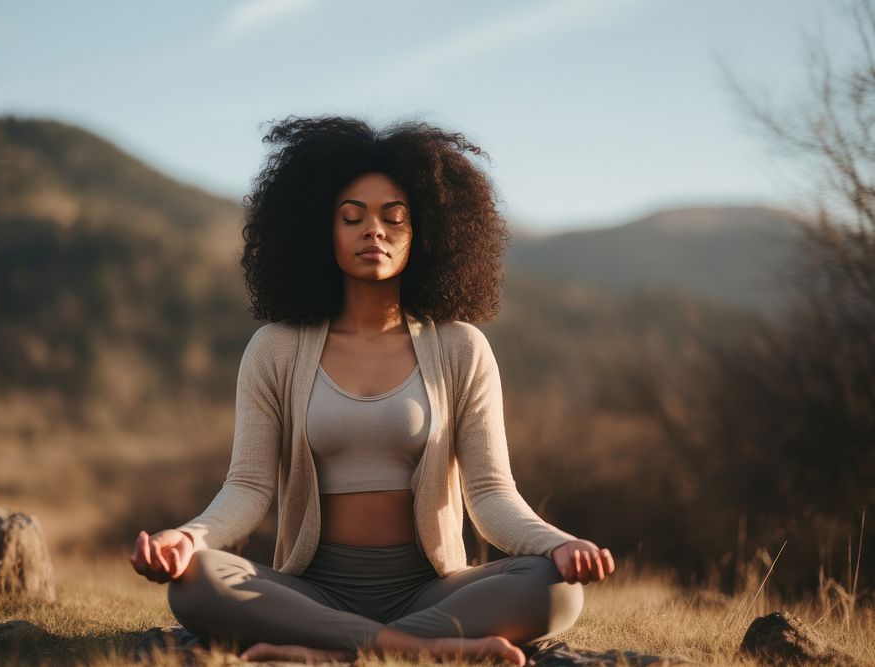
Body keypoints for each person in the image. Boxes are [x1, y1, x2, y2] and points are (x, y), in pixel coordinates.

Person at [130, 116, 615, 666]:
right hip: (312, 591)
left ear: (426, 232)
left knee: (553, 587)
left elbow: (491, 494)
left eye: (394, 218)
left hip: (430, 591)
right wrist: (188, 539)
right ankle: (417, 652)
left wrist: (558, 544)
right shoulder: (275, 349)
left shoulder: (461, 347)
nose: (374, 231)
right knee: (195, 581)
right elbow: (247, 486)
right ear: (322, 232)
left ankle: (325, 652)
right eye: (351, 217)